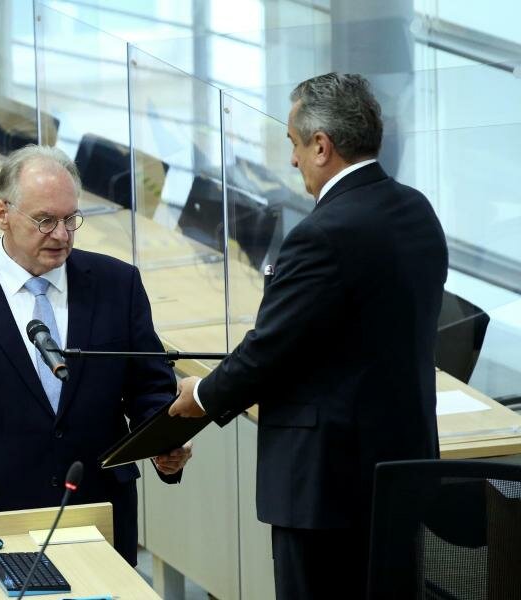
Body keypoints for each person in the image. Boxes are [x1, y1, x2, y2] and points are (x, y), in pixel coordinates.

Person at [170, 73, 448, 599]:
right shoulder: (416, 210)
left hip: (326, 485)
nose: (293, 160)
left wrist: (202, 395)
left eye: (294, 144)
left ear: (322, 145)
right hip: (401, 469)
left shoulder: (322, 235)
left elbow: (271, 350)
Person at [0, 145, 192, 565]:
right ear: (2, 213)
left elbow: (148, 387)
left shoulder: (117, 284)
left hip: (98, 514)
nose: (61, 235)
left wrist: (164, 445)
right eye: (45, 220)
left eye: (70, 219)